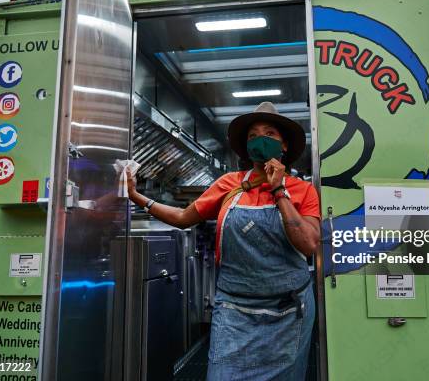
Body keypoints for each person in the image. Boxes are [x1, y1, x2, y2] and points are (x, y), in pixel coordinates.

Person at [127, 101, 321, 380]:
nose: (260, 140)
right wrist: (137, 197)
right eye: (253, 136)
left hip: (288, 312)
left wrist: (279, 189)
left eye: (269, 134)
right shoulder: (229, 184)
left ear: (285, 145)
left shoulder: (303, 191)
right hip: (234, 313)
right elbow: (183, 217)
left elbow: (308, 244)